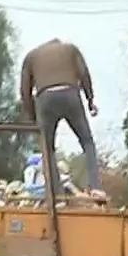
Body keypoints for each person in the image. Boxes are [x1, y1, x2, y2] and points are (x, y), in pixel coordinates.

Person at [19, 37, 99, 192]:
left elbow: (24, 90)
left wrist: (32, 117)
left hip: (45, 97)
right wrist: (90, 100)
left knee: (47, 148)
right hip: (70, 94)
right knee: (87, 141)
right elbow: (84, 74)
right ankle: (95, 186)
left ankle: (57, 195)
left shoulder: (31, 56)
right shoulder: (70, 49)